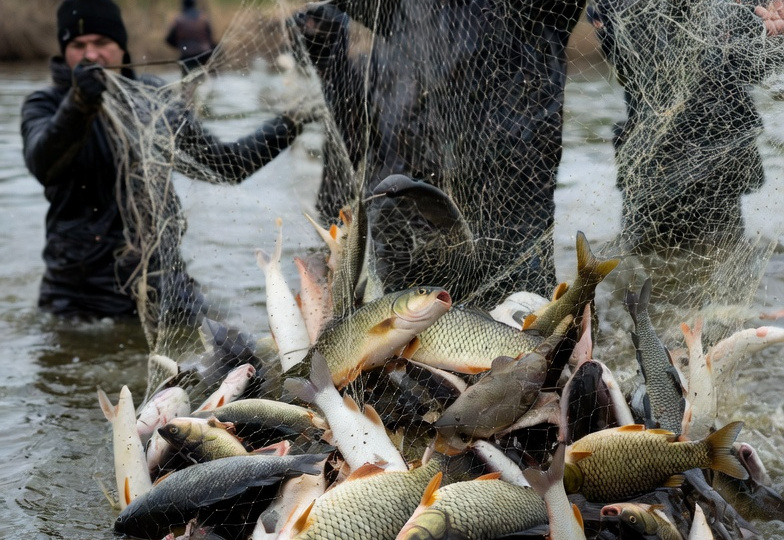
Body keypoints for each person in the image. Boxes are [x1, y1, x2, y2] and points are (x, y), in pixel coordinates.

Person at [21, 0, 310, 320]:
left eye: (102, 43)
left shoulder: (154, 100)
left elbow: (227, 165)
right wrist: (78, 104)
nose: (91, 55)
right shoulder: (43, 104)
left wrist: (289, 124)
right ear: (64, 52)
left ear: (121, 47)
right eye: (78, 46)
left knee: (244, 356)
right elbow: (43, 164)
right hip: (80, 297)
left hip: (166, 286)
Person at [291, 1, 585, 308]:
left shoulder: (528, 21)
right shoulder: (401, 30)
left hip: (510, 183)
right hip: (422, 193)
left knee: (519, 304)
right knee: (414, 311)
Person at [588, 0, 784, 252]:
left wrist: (771, 33)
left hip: (719, 159)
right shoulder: (624, 9)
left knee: (711, 257)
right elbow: (623, 63)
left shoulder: (741, 7)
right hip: (654, 159)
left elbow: (756, 67)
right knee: (645, 260)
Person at [165, 0, 216, 73]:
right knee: (205, 76)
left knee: (187, 80)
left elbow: (168, 40)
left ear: (183, 5)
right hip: (204, 55)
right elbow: (210, 38)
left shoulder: (179, 20)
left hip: (187, 56)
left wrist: (181, 46)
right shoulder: (203, 19)